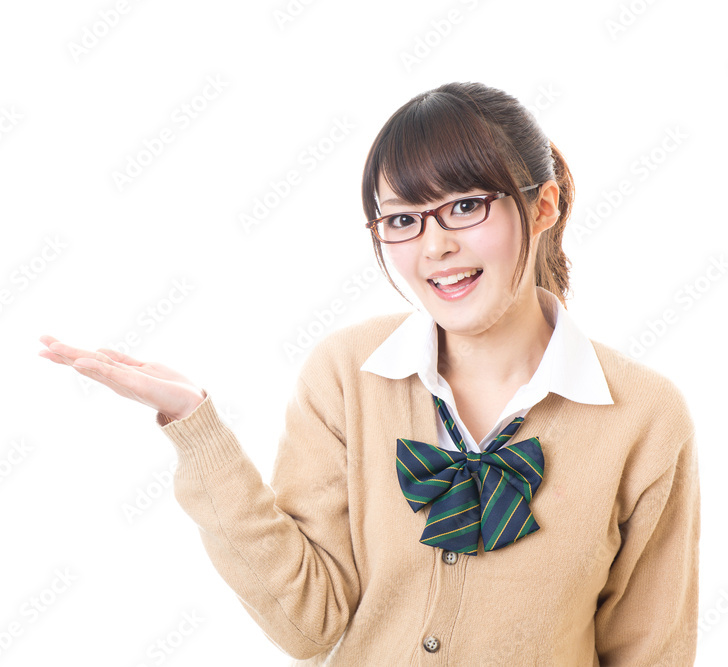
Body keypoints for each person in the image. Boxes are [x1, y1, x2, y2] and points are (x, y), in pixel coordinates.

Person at [37, 81, 700, 665]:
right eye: (403, 219)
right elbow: (306, 622)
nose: (435, 246)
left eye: (466, 205)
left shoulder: (643, 415)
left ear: (543, 205)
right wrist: (195, 426)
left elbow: (652, 650)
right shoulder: (347, 374)